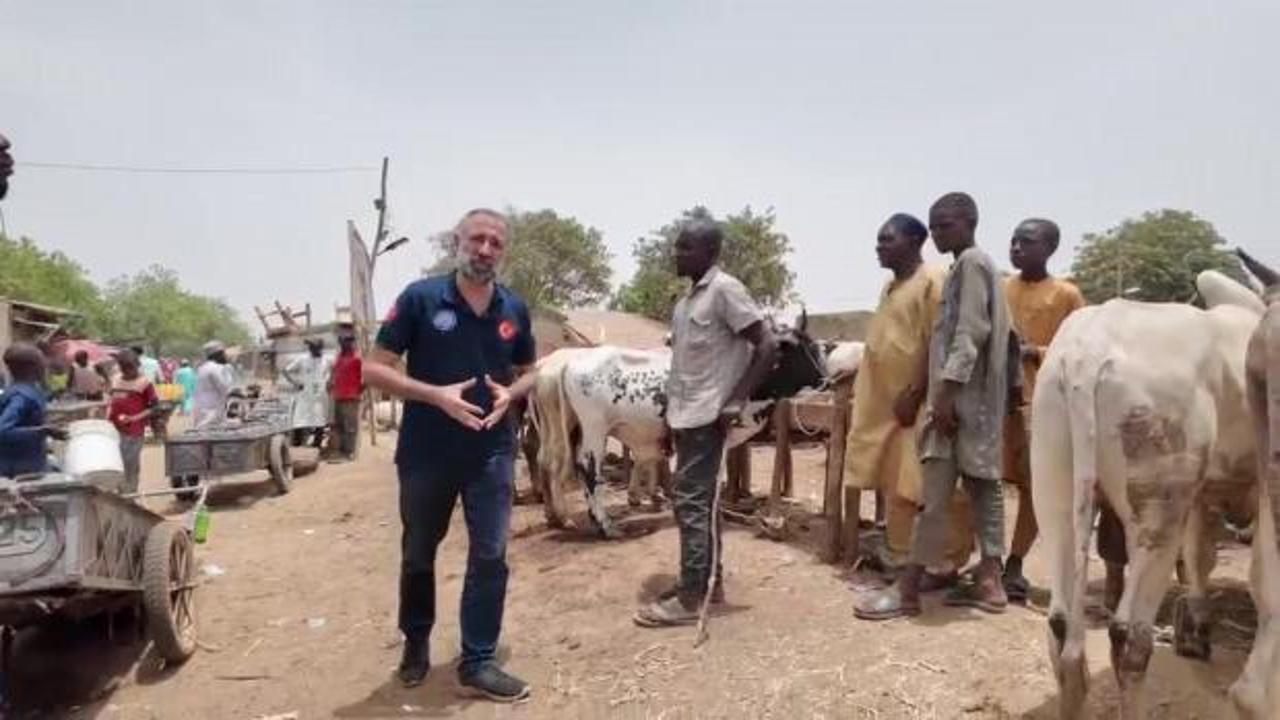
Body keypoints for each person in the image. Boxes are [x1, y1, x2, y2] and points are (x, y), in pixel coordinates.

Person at [364, 208, 537, 701]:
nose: (485, 250)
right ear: (457, 242)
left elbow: (531, 370)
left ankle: (478, 660)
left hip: (491, 450)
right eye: (476, 239)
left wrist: (512, 392)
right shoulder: (420, 299)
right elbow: (375, 370)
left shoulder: (514, 309)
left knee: (491, 554)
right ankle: (416, 642)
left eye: (495, 243)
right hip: (427, 451)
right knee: (419, 550)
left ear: (503, 252)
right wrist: (437, 395)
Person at [856, 192, 1019, 620]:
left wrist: (942, 395)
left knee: (935, 495)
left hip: (958, 404)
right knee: (986, 490)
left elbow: (968, 335)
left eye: (945, 225)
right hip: (980, 403)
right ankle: (990, 583)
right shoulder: (980, 267)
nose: (937, 233)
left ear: (969, 222)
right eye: (934, 225)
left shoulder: (968, 265)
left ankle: (907, 589)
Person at [633, 219, 778, 628]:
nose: (676, 254)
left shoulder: (725, 291)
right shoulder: (684, 306)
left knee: (692, 503)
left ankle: (693, 596)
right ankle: (703, 584)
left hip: (709, 415)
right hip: (685, 415)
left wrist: (736, 399)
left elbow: (767, 346)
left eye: (686, 248)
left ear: (710, 253)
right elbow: (681, 368)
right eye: (677, 246)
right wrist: (666, 420)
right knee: (696, 501)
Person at [843, 214, 974, 591]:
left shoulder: (933, 281)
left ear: (915, 241)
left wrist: (916, 391)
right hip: (884, 405)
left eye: (887, 240)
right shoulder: (890, 286)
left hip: (917, 405)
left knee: (929, 487)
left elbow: (938, 340)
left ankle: (943, 564)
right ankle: (901, 556)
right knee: (894, 483)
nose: (879, 247)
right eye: (879, 240)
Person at [999, 219, 1086, 601]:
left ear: (1049, 248)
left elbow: (1082, 347)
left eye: (1027, 242)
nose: (1016, 247)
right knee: (981, 482)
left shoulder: (1067, 295)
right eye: (1013, 240)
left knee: (1036, 489)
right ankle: (984, 560)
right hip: (996, 403)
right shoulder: (1001, 288)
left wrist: (1036, 353)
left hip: (1041, 405)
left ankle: (1014, 564)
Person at [0, 343, 64, 478]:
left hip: (31, 463)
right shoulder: (21, 396)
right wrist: (43, 431)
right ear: (32, 367)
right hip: (20, 469)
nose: (45, 366)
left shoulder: (25, 390)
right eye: (42, 362)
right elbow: (3, 431)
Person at [108, 349, 158, 493]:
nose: (128, 371)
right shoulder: (116, 380)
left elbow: (154, 407)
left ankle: (130, 492)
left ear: (137, 365)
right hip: (114, 430)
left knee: (130, 462)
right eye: (125, 368)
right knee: (116, 463)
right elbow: (111, 401)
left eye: (131, 368)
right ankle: (120, 492)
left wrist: (134, 418)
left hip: (134, 431)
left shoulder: (144, 383)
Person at [283, 338, 333, 448]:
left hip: (320, 396)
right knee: (299, 420)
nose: (315, 351)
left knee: (320, 420)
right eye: (313, 349)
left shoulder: (326, 360)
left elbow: (333, 372)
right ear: (310, 349)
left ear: (321, 349)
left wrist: (329, 382)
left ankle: (316, 446)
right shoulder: (302, 359)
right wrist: (295, 383)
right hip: (305, 394)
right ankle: (296, 445)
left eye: (317, 349)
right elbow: (285, 370)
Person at [329, 333, 363, 462]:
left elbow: (365, 378)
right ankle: (342, 451)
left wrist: (358, 391)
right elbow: (335, 373)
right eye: (342, 342)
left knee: (350, 427)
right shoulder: (339, 357)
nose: (343, 344)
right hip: (338, 396)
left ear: (351, 343)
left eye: (346, 342)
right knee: (340, 425)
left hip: (351, 397)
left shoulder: (357, 359)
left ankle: (349, 453)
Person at [192, 341, 234, 428]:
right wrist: (228, 370)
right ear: (217, 355)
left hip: (201, 411)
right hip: (212, 413)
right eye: (223, 354)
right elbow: (226, 389)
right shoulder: (217, 368)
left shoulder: (202, 368)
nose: (225, 356)